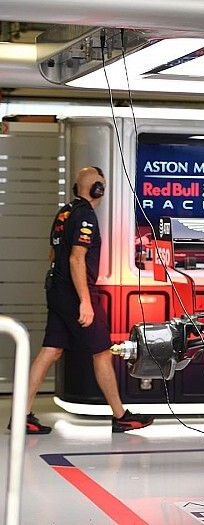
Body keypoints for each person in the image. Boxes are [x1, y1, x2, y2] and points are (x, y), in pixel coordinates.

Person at [17, 166, 154, 434]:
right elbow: (75, 258)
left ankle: (22, 414)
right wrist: (85, 301)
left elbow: (53, 255)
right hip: (75, 293)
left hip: (57, 289)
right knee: (101, 351)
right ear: (98, 189)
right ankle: (121, 415)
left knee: (50, 351)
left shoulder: (64, 212)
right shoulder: (86, 216)